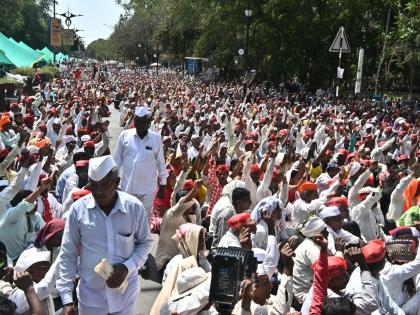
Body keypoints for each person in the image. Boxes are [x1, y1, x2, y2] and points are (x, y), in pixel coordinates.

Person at [57, 155, 153, 315]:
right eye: (94, 186)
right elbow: (68, 253)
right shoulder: (77, 211)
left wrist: (126, 268)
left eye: (104, 185)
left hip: (125, 296)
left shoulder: (134, 208)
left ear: (116, 182)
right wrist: (67, 299)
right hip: (90, 299)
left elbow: (145, 243)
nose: (99, 191)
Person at [114, 106, 168, 218]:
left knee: (144, 218)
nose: (139, 124)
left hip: (147, 189)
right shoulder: (125, 136)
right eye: (137, 121)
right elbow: (117, 160)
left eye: (142, 121)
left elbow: (160, 162)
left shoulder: (155, 138)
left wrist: (163, 184)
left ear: (148, 122)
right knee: (126, 218)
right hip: (128, 187)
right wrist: (113, 180)